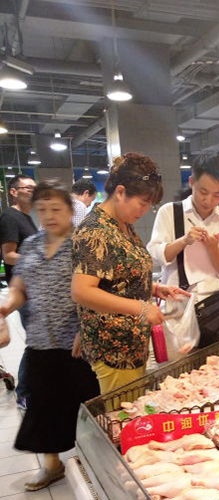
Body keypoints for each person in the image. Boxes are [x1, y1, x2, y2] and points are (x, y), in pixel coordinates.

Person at [0, 182, 99, 490]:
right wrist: (6, 306)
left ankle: (98, 464)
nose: (49, 216)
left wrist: (86, 329)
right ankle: (52, 465)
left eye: (56, 209)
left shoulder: (82, 244)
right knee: (43, 403)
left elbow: (97, 291)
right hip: (40, 340)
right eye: (42, 210)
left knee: (87, 405)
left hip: (76, 343)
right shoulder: (30, 245)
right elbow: (19, 288)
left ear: (70, 211)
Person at [71, 153, 188, 394]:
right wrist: (141, 308)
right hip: (113, 348)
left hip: (132, 343)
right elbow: (82, 291)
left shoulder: (122, 224)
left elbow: (117, 277)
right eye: (142, 203)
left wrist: (154, 288)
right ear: (120, 192)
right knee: (122, 412)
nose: (144, 210)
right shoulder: (95, 230)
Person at [147, 154, 219, 346]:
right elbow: (155, 256)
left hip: (215, 306)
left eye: (217, 195)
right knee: (177, 362)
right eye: (203, 192)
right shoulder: (170, 212)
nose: (209, 200)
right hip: (176, 305)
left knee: (216, 362)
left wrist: (213, 249)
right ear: (191, 182)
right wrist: (183, 241)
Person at [0, 174, 37, 406]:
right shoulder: (10, 217)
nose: (33, 192)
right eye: (28, 188)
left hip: (33, 288)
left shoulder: (26, 217)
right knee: (36, 343)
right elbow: (9, 255)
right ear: (14, 191)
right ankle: (24, 392)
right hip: (23, 290)